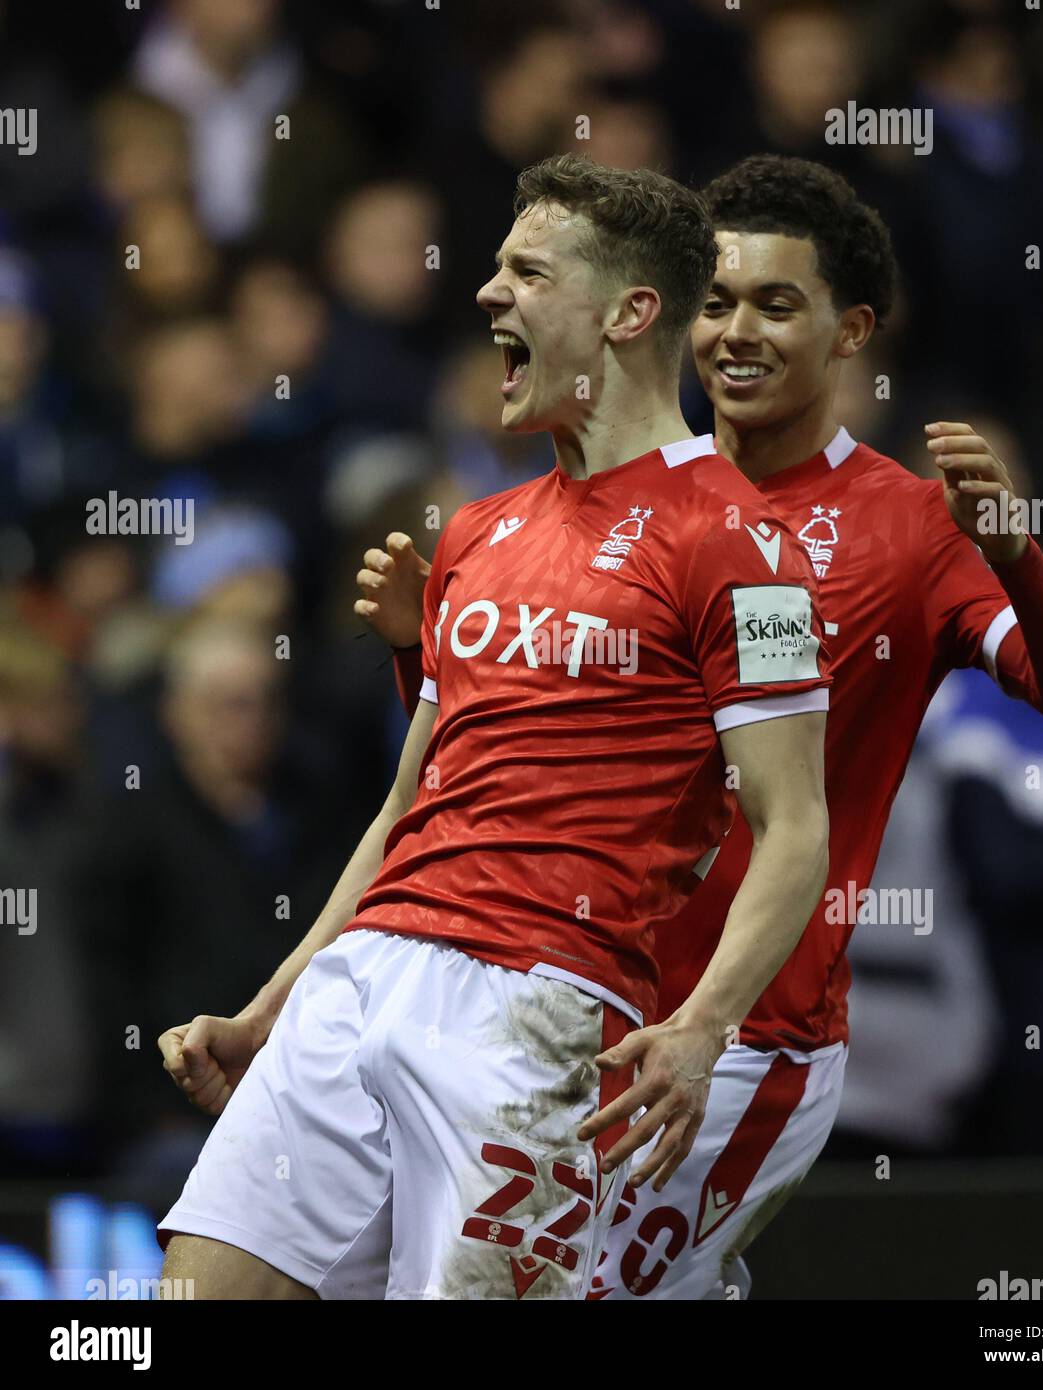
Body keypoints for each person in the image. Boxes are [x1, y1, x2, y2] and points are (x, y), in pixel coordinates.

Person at [367, 154, 1043, 1299]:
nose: (735, 332)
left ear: (849, 330)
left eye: (777, 304)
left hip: (742, 1039)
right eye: (716, 301)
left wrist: (1011, 557)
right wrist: (410, 659)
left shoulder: (912, 529)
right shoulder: (605, 507)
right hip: (564, 1006)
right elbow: (511, 762)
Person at [155, 155, 832, 1300]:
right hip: (358, 983)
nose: (485, 293)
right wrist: (274, 1005)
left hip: (535, 1018)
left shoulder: (747, 548)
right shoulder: (473, 531)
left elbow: (795, 825)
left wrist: (701, 1024)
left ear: (627, 314)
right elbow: (406, 808)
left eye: (526, 270)